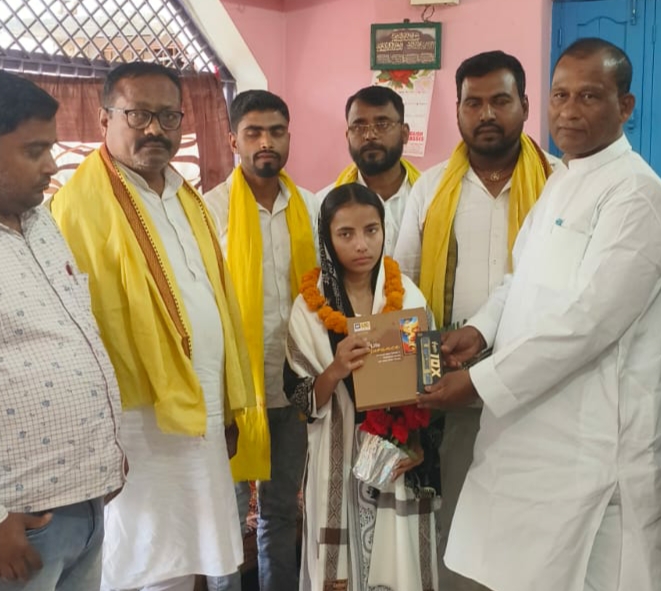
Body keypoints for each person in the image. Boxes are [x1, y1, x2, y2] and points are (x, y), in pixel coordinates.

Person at [418, 38, 661, 591]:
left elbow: (589, 324)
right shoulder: (562, 180)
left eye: (589, 96)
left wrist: (477, 382)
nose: (570, 110)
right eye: (561, 95)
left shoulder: (638, 195)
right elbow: (519, 278)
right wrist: (479, 330)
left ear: (625, 106)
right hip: (527, 436)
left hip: (591, 445)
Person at [49, 62, 255, 591]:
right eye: (138, 115)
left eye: (168, 117)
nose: (155, 130)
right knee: (135, 558)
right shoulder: (75, 208)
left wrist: (227, 402)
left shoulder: (187, 196)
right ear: (104, 119)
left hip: (201, 408)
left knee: (187, 554)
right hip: (135, 424)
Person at [394, 50, 556, 591]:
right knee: (459, 521)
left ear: (525, 106)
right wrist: (408, 386)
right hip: (454, 388)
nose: (487, 114)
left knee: (536, 525)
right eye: (473, 102)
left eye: (500, 101)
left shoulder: (558, 184)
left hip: (540, 387)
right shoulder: (431, 187)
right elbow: (402, 289)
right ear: (458, 110)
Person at [0, 71, 124, 591]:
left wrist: (106, 452)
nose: (51, 166)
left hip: (85, 501)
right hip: (20, 524)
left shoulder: (41, 221)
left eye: (50, 148)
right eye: (35, 151)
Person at [285, 183, 442, 591]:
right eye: (346, 234)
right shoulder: (310, 308)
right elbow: (301, 399)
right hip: (337, 459)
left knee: (398, 559)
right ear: (327, 237)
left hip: (396, 460)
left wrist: (419, 445)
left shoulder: (408, 295)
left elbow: (432, 378)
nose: (361, 245)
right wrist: (336, 369)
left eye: (371, 230)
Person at [204, 89, 319, 591]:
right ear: (234, 140)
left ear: (289, 136)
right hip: (232, 390)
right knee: (226, 515)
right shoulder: (209, 211)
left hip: (294, 385)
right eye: (253, 132)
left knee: (281, 509)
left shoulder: (310, 207)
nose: (265, 142)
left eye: (275, 131)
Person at [316, 86, 420, 256]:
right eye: (358, 127)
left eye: (382, 125)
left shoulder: (430, 197)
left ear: (404, 133)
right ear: (347, 137)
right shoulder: (323, 205)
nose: (370, 135)